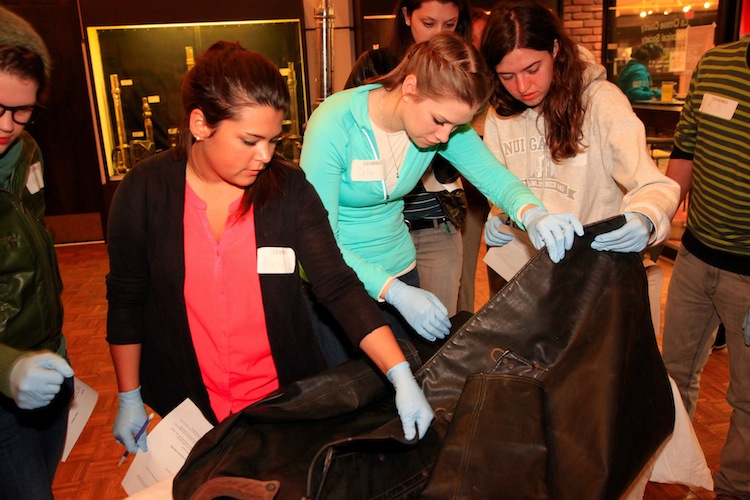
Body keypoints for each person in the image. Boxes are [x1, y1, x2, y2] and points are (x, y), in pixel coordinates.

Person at [106, 41, 433, 456]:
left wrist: (399, 372)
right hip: (185, 405)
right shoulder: (145, 191)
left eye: (274, 141)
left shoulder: (288, 190)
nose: (264, 156)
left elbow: (336, 285)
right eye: (249, 141)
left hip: (283, 401)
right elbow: (126, 299)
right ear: (200, 124)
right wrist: (129, 395)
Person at [300, 32, 583, 362]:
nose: (443, 137)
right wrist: (393, 290)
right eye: (439, 121)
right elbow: (318, 244)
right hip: (339, 284)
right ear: (410, 88)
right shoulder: (335, 124)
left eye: (456, 125)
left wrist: (532, 212)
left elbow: (494, 177)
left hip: (400, 269)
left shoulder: (441, 124)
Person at [479, 0, 679, 298]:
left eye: (532, 68)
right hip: (522, 273)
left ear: (555, 50)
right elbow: (499, 182)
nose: (522, 86)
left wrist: (646, 217)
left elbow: (652, 183)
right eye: (507, 76)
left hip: (591, 277)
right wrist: (499, 214)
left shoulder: (601, 101)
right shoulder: (501, 112)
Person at [660, 36, 750, 499]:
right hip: (695, 257)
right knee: (671, 375)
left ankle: (734, 491)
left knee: (748, 400)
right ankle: (668, 474)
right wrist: (658, 222)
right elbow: (686, 149)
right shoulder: (717, 64)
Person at [345, 0, 472, 322]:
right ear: (405, 16)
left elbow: (475, 163)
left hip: (436, 223)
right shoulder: (375, 67)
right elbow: (345, 138)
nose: (438, 35)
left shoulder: (461, 73)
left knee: (439, 332)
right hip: (377, 234)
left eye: (450, 25)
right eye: (428, 23)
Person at [0, 6, 75, 499]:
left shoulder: (26, 151)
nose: (7, 125)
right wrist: (6, 368)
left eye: (21, 110)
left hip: (45, 367)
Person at [457, 6, 491, 314]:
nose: (476, 44)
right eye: (471, 37)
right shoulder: (458, 85)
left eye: (483, 37)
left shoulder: (500, 85)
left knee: (503, 269)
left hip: (490, 192)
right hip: (465, 194)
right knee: (462, 274)